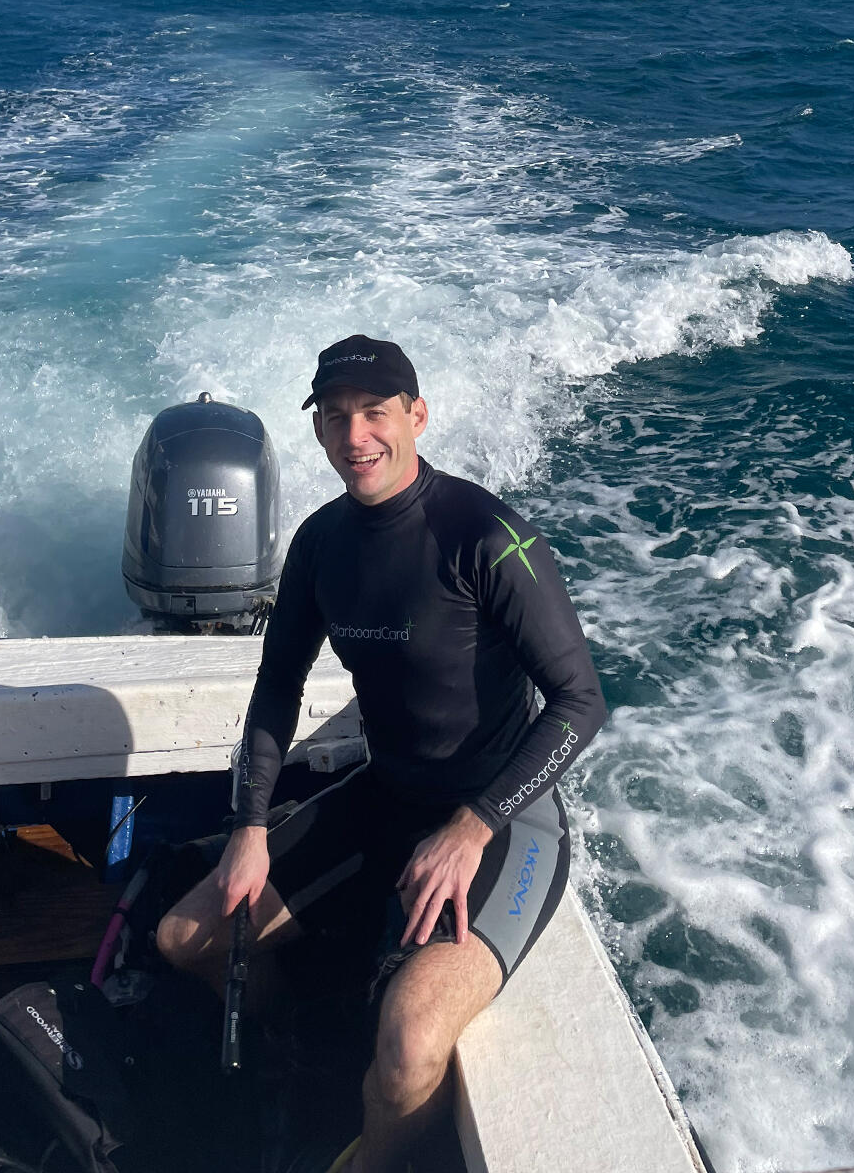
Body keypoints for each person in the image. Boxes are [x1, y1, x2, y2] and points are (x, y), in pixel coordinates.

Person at [157, 334, 606, 1173]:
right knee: (190, 938)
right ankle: (299, 1051)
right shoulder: (322, 545)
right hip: (387, 795)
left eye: (374, 413)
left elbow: (581, 707)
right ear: (320, 433)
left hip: (502, 817)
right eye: (334, 419)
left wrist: (471, 827)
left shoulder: (487, 535)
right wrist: (248, 827)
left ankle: (376, 1160)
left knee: (408, 1045)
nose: (355, 436)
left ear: (417, 416)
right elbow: (276, 692)